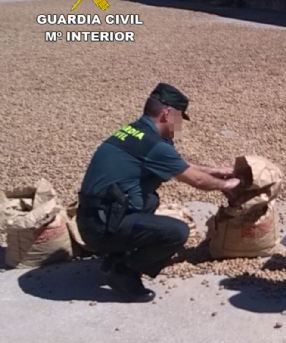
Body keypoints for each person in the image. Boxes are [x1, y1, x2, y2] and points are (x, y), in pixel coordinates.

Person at [77, 83, 240, 302]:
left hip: (93, 217)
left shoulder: (135, 131)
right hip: (99, 228)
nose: (180, 125)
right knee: (176, 232)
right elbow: (197, 180)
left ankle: (115, 254)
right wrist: (231, 185)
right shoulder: (154, 144)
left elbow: (177, 165)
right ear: (166, 113)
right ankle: (124, 273)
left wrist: (216, 171)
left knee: (149, 200)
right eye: (180, 118)